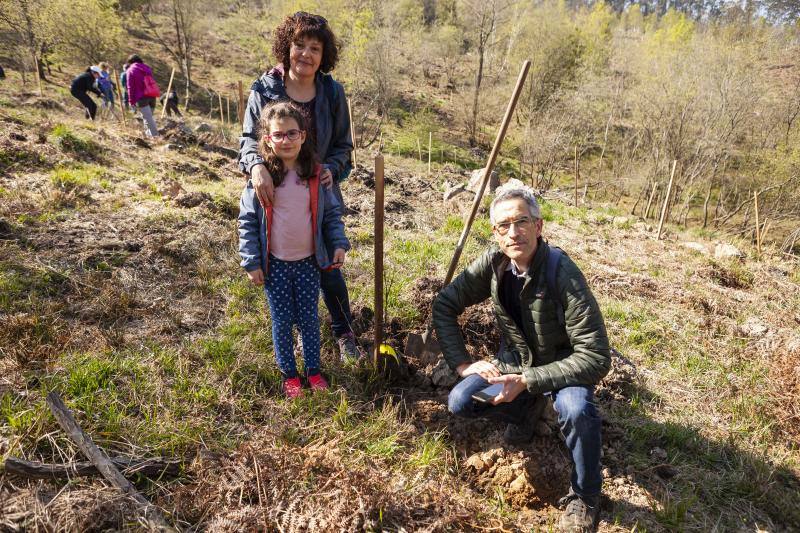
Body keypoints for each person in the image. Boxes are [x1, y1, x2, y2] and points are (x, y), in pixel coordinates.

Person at [432, 182, 611, 532]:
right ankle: (528, 411)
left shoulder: (562, 272)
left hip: (564, 367)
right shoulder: (494, 264)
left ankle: (586, 496)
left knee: (576, 410)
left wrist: (529, 380)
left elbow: (596, 356)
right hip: (515, 362)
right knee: (460, 400)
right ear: (495, 233)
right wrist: (464, 364)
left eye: (521, 222)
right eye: (503, 226)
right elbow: (445, 305)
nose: (513, 233)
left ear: (538, 226)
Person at [238, 11, 361, 360]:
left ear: (325, 55)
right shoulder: (264, 88)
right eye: (299, 45)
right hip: (273, 190)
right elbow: (248, 138)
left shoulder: (332, 93)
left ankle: (343, 332)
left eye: (315, 48)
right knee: (281, 267)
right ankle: (290, 336)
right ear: (286, 47)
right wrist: (257, 167)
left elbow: (343, 146)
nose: (305, 54)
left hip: (318, 192)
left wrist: (332, 170)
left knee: (327, 265)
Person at [238, 101, 349, 398]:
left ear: (303, 136)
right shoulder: (260, 181)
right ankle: (290, 375)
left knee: (310, 319)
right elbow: (247, 221)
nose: (285, 140)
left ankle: (313, 371)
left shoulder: (316, 176)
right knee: (283, 321)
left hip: (308, 263)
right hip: (274, 265)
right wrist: (251, 261)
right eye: (278, 135)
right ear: (267, 139)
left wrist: (338, 244)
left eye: (292, 134)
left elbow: (331, 216)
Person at [125, 55, 159, 137]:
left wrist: (131, 101)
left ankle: (155, 137)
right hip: (152, 96)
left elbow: (130, 87)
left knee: (148, 119)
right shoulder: (147, 68)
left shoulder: (130, 70)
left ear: (130, 62)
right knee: (148, 118)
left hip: (141, 98)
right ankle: (149, 136)